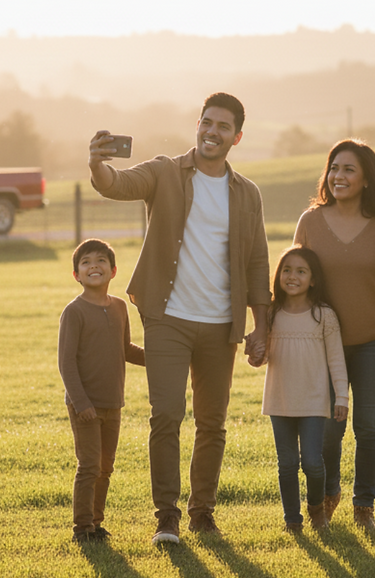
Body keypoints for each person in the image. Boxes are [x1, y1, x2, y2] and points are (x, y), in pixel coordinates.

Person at [88, 93, 271, 545]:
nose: (212, 132)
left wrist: (261, 324)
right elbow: (117, 184)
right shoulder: (165, 171)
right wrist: (97, 165)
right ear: (198, 124)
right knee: (166, 415)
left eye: (223, 126)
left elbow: (258, 262)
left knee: (213, 422)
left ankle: (202, 512)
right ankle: (166, 516)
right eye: (207, 122)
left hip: (220, 324)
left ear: (237, 136)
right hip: (168, 317)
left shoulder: (247, 193)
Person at [293, 139, 375, 532]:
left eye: (349, 169)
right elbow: (294, 279)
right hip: (323, 343)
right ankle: (328, 493)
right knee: (326, 431)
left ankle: (364, 507)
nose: (338, 176)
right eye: (334, 168)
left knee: (368, 426)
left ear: (367, 178)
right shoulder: (311, 222)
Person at [58, 238, 145, 542]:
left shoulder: (120, 307)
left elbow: (126, 349)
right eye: (85, 263)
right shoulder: (74, 312)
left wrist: (160, 359)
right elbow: (66, 363)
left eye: (100, 261)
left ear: (113, 270)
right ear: (77, 275)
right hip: (85, 405)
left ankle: (96, 522)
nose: (93, 266)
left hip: (112, 402)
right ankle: (82, 528)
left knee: (105, 467)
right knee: (89, 465)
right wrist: (81, 403)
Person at [261, 246, 348, 533]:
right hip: (280, 400)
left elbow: (336, 358)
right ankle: (292, 520)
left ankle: (316, 510)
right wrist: (255, 354)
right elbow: (262, 355)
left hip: (313, 401)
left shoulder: (323, 316)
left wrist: (342, 397)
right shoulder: (272, 313)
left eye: (301, 271)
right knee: (287, 463)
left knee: (312, 461)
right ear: (278, 275)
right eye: (286, 270)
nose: (292, 276)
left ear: (313, 279)